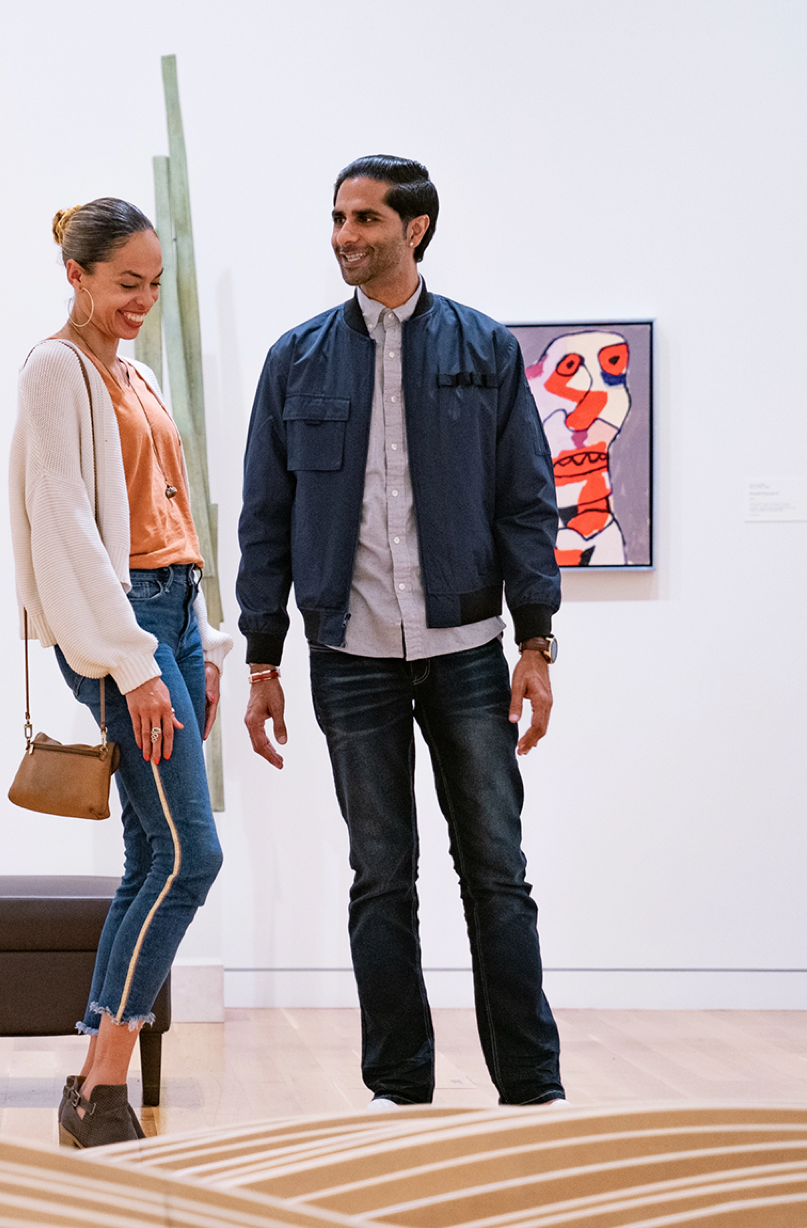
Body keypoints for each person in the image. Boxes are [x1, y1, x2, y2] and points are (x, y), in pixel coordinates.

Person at [236, 156, 567, 1109]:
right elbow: (267, 519)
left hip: (467, 654)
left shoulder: (485, 349)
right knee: (381, 877)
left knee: (497, 873)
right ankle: (399, 1092)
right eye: (338, 218)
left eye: (364, 219)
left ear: (413, 228)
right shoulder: (294, 359)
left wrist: (536, 642)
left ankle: (533, 1090)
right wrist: (265, 656)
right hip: (351, 660)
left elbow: (526, 505)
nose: (344, 235)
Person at [9, 197, 231, 1146]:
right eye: (125, 283)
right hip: (122, 628)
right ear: (78, 276)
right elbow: (65, 522)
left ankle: (92, 1083)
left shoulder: (130, 374)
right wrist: (134, 666)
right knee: (192, 855)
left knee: (153, 854)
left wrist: (207, 645)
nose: (143, 299)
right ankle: (100, 1081)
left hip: (171, 614)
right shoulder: (56, 369)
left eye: (154, 283)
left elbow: (172, 509)